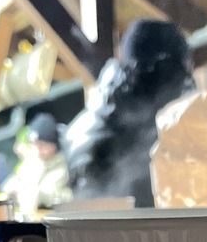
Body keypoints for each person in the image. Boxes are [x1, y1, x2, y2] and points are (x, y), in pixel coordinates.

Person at [64, 19, 195, 207]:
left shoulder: (86, 125)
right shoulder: (157, 129)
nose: (188, 79)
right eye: (185, 69)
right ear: (169, 69)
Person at [2, 113, 72, 212]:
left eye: (42, 146)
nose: (39, 151)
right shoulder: (32, 161)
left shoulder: (66, 165)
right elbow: (12, 181)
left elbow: (72, 197)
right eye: (35, 146)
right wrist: (13, 187)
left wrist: (41, 195)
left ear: (54, 144)